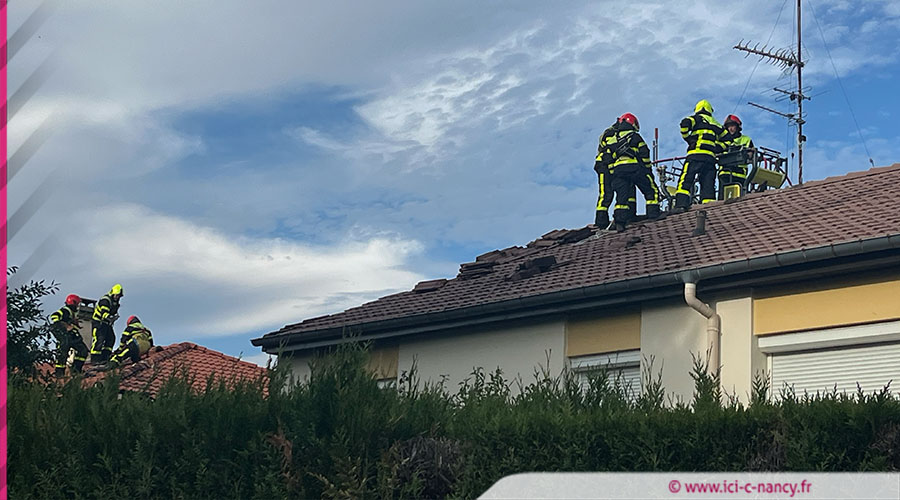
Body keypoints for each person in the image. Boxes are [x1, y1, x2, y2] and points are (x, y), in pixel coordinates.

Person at [606, 113, 661, 231]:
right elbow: (644, 152)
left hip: (619, 171)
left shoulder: (611, 140)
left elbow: (607, 158)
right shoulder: (635, 136)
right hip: (634, 168)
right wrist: (647, 169)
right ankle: (653, 214)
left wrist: (613, 172)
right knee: (651, 190)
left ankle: (620, 222)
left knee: (621, 198)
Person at [674, 100, 727, 211]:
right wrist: (716, 147)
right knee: (708, 183)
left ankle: (681, 204)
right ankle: (708, 207)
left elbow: (684, 124)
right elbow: (728, 140)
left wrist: (688, 138)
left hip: (695, 156)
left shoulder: (696, 119)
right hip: (710, 159)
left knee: (686, 179)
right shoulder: (716, 124)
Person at [594, 119, 637, 228]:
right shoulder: (610, 133)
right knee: (606, 193)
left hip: (614, 165)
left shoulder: (618, 133)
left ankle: (627, 215)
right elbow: (611, 148)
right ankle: (601, 221)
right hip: (604, 165)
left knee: (625, 188)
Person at [50, 294, 89, 376]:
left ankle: (75, 370)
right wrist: (64, 326)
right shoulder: (65, 310)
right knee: (64, 350)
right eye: (77, 304)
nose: (78, 306)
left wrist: (74, 323)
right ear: (73, 303)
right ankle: (61, 372)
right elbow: (54, 316)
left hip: (70, 335)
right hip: (65, 335)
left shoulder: (70, 313)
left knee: (83, 350)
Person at [719, 114, 755, 199]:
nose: (730, 128)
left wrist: (747, 154)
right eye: (728, 126)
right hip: (725, 173)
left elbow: (751, 154)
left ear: (737, 127)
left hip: (740, 174)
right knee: (722, 200)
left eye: (732, 126)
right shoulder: (722, 140)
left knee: (740, 200)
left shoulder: (746, 139)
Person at [90, 284, 123, 364]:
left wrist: (113, 318)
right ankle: (95, 359)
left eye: (119, 296)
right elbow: (104, 313)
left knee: (111, 338)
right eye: (116, 295)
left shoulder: (115, 303)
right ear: (113, 293)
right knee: (99, 339)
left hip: (106, 323)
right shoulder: (105, 300)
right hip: (99, 322)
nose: (117, 297)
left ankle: (105, 357)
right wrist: (110, 317)